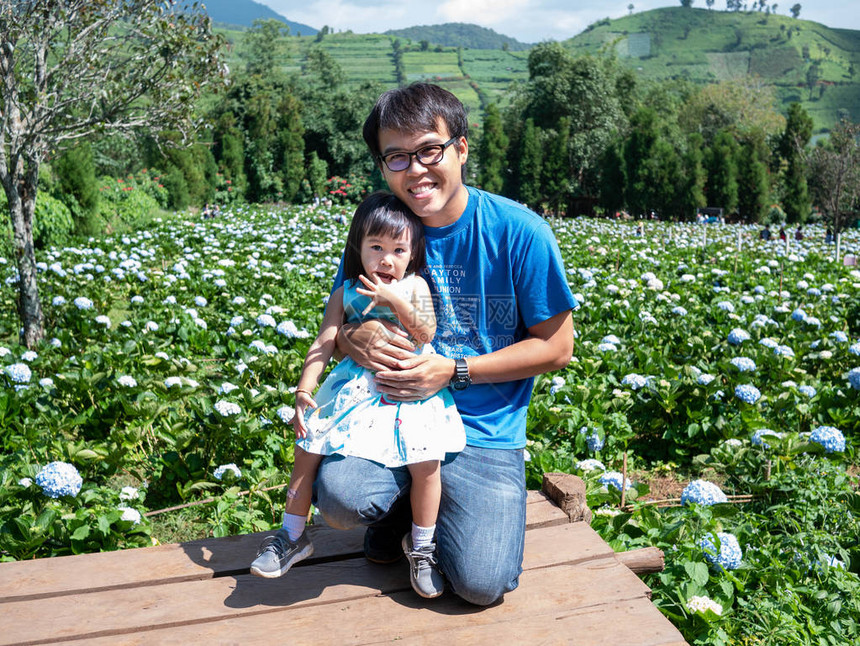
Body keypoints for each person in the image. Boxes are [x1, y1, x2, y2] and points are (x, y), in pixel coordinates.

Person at [313, 83, 577, 606]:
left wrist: (453, 371)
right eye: (397, 157)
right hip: (386, 412)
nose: (415, 170)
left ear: (460, 148)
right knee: (342, 501)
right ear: (382, 165)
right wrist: (351, 337)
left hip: (484, 430)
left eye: (429, 150)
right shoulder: (382, 230)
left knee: (481, 584)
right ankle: (400, 508)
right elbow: (343, 319)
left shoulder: (520, 232)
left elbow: (556, 348)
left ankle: (417, 522)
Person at [249, 192, 465, 599]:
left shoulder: (415, 285)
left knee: (426, 463)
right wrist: (303, 388)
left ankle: (422, 547)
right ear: (359, 248)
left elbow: (427, 332)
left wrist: (393, 299)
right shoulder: (344, 292)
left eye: (399, 250)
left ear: (413, 253)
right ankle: (291, 535)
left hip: (410, 392)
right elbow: (324, 342)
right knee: (308, 445)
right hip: (356, 390)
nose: (387, 259)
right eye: (376, 247)